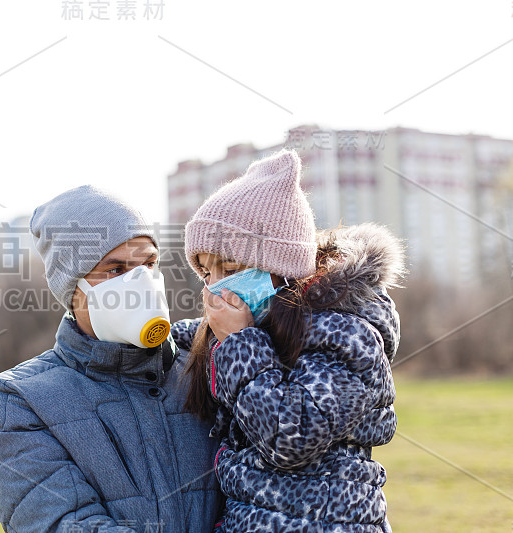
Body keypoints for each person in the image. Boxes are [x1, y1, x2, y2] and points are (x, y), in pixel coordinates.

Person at [171, 149, 404, 532]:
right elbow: (185, 338)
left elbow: (291, 436)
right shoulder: (257, 324)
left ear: (283, 267)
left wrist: (240, 341)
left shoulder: (345, 334)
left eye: (229, 269)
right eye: (206, 273)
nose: (216, 286)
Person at [0, 185, 222, 533]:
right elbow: (62, 524)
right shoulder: (17, 401)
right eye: (116, 269)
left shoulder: (205, 369)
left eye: (149, 263)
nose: (141, 282)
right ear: (74, 289)